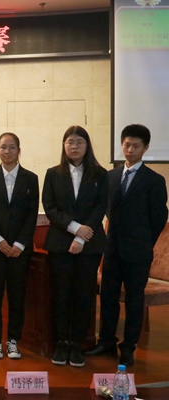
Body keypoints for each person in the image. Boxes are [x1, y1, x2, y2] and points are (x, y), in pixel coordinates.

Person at [85, 124, 168, 366]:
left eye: (136, 146)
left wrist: (143, 242)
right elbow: (104, 210)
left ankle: (129, 346)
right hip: (111, 249)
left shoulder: (154, 180)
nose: (130, 150)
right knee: (108, 297)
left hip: (138, 252)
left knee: (134, 300)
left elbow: (159, 218)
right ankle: (106, 341)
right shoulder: (110, 176)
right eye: (127, 145)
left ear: (145, 148)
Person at [42, 126, 108, 368]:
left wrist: (81, 237)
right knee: (61, 294)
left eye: (79, 142)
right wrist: (74, 228)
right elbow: (50, 207)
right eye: (70, 142)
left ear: (87, 145)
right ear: (64, 145)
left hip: (90, 245)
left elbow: (100, 207)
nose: (74, 146)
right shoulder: (53, 173)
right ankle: (62, 343)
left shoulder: (100, 174)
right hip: (60, 243)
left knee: (83, 295)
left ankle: (77, 344)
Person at [0, 132, 39, 360]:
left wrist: (20, 244)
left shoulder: (31, 178)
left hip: (19, 251)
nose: (7, 151)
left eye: (12, 147)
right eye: (3, 147)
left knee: (17, 296)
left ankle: (13, 341)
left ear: (19, 150)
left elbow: (31, 215)